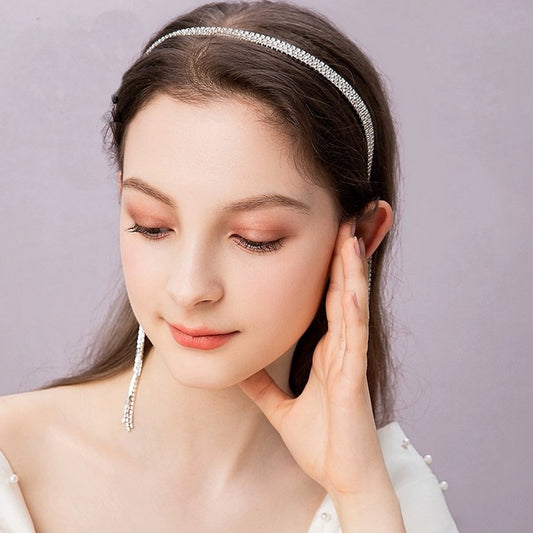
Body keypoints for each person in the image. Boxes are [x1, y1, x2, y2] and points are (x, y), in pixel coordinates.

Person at [0, 1, 459, 531]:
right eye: (152, 225)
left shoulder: (385, 500)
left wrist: (359, 494)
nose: (190, 287)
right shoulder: (11, 455)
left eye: (254, 238)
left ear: (360, 234)